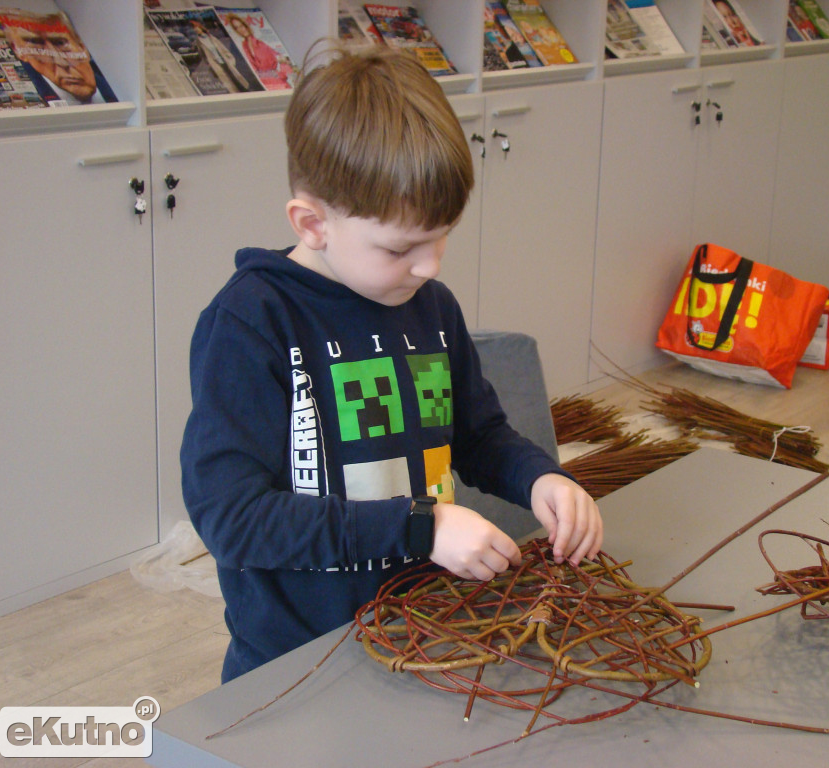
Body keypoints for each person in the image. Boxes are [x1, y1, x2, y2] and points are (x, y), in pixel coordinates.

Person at [180, 44, 603, 683]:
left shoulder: (429, 304)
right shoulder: (251, 323)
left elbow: (480, 435)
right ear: (312, 222)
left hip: (431, 633)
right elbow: (233, 519)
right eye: (401, 247)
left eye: (442, 237)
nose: (431, 266)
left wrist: (541, 480)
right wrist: (419, 528)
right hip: (298, 663)